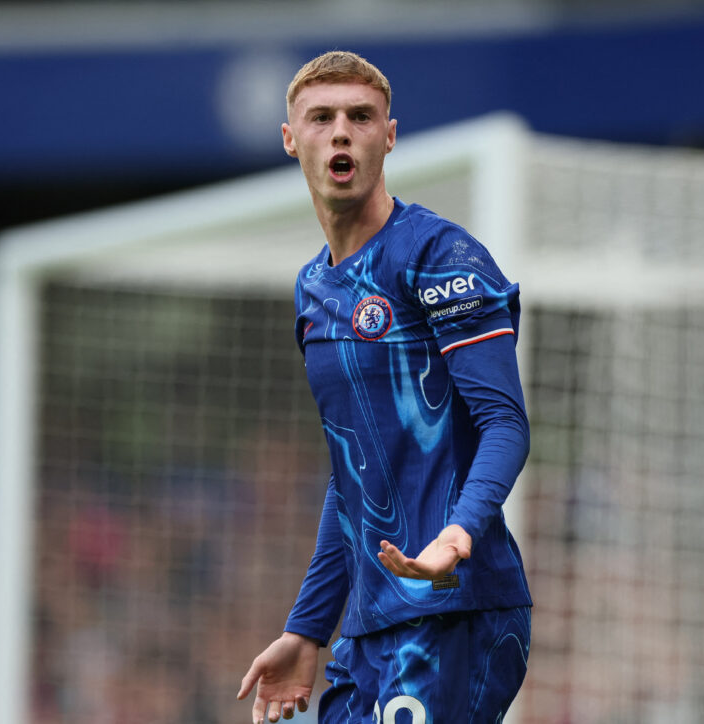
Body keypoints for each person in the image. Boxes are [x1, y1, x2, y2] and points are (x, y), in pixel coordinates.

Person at [237, 50, 533, 724]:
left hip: (458, 606)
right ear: (291, 139)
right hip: (370, 625)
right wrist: (310, 628)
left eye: (360, 117)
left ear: (388, 137)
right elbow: (354, 472)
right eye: (321, 117)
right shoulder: (314, 290)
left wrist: (457, 535)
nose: (341, 131)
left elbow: (505, 423)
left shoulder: (441, 257)